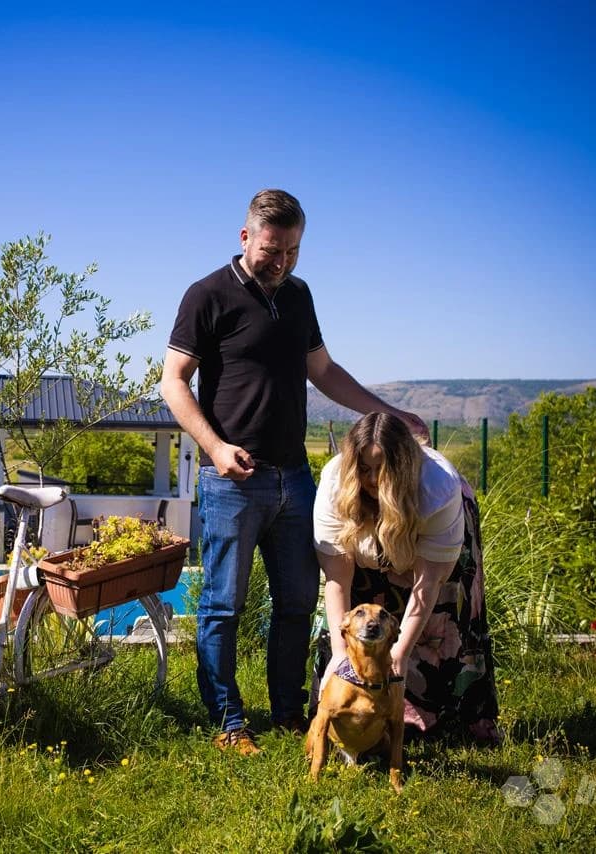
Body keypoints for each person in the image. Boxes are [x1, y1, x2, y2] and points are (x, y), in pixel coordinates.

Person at [160, 189, 427, 755]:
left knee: (297, 602)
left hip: (295, 480)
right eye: (272, 250)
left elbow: (324, 371)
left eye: (293, 252)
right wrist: (215, 447)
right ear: (245, 237)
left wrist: (386, 413)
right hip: (231, 479)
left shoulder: (300, 296)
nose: (281, 262)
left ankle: (285, 713)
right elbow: (173, 381)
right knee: (222, 606)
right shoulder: (207, 295)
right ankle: (229, 721)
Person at [312, 411, 500, 742]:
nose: (370, 479)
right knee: (362, 603)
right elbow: (338, 580)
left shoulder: (437, 488)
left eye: (380, 470)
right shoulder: (334, 483)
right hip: (367, 539)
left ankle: (448, 718)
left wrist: (399, 653)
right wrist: (340, 654)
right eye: (363, 469)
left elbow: (428, 585)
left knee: (440, 615)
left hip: (428, 537)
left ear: (401, 466)